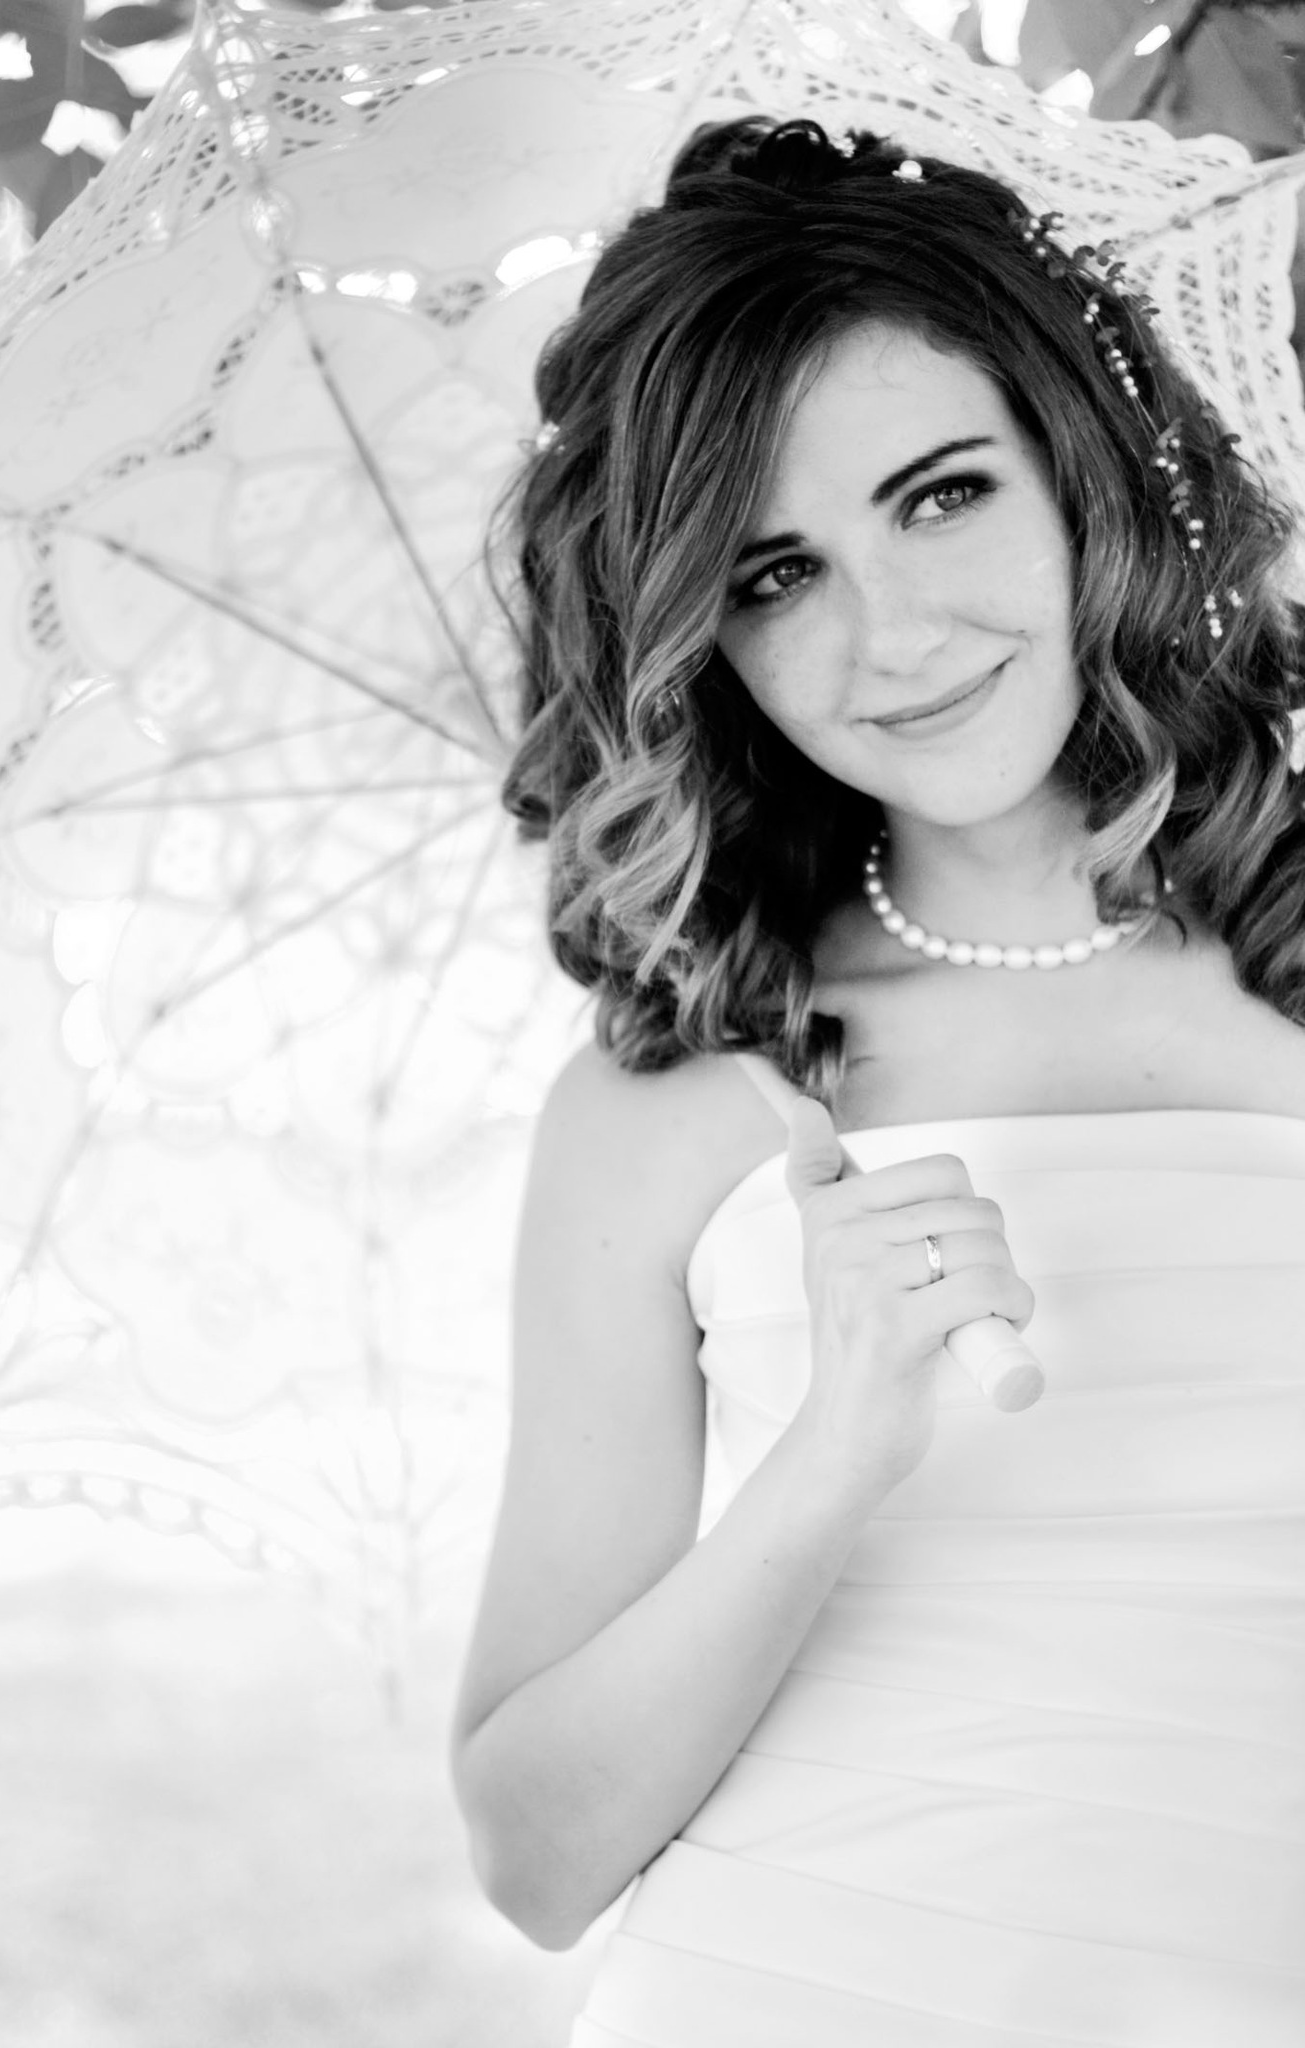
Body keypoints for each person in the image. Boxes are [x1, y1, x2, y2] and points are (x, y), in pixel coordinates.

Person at [449, 117, 1305, 2045]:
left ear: (1081, 469)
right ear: (700, 639)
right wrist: (834, 1450)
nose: (891, 637)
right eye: (773, 573)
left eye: (940, 496)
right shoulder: (676, 1100)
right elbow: (535, 1855)